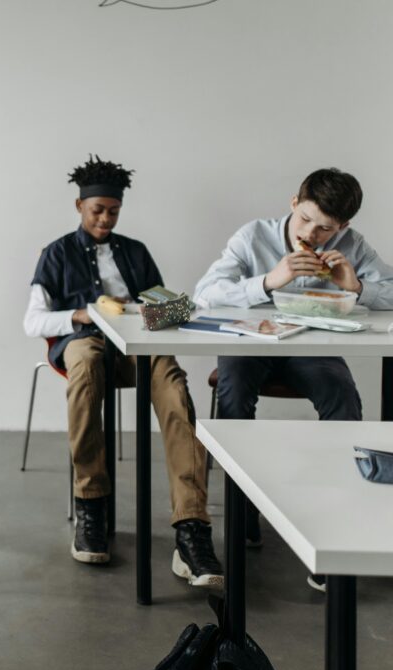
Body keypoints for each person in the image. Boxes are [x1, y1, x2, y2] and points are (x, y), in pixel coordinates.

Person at [23, 156, 223, 587]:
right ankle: (91, 505)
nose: (105, 218)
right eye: (97, 210)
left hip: (139, 345)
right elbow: (33, 321)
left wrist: (157, 308)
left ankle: (192, 529)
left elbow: (169, 308)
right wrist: (84, 313)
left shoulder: (134, 253)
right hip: (83, 341)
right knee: (87, 365)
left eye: (113, 211)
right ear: (80, 206)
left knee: (171, 379)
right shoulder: (57, 254)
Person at [193, 167, 393, 590]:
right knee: (234, 394)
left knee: (343, 397)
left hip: (312, 344)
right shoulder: (253, 236)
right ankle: (241, 513)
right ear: (293, 203)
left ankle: (337, 528)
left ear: (344, 226)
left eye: (326, 229)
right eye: (305, 220)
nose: (313, 234)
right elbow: (205, 292)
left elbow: (390, 290)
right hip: (250, 342)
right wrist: (270, 280)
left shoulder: (352, 244)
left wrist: (356, 287)